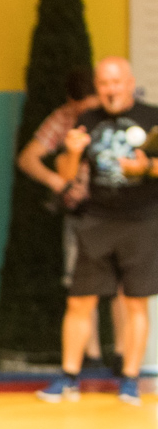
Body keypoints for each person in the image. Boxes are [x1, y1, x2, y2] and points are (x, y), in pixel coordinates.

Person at [39, 57, 156, 406]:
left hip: (142, 221)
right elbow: (66, 171)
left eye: (117, 82)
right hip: (97, 221)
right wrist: (73, 153)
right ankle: (69, 377)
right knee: (79, 300)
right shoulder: (87, 121)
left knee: (135, 302)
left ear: (131, 82)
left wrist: (146, 167)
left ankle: (130, 381)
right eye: (104, 83)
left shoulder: (152, 117)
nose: (111, 89)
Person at [16, 68, 119, 367]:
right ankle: (93, 355)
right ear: (69, 102)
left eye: (89, 108)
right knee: (83, 285)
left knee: (123, 285)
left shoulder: (113, 116)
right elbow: (28, 157)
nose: (83, 115)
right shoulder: (63, 119)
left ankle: (123, 356)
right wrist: (57, 182)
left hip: (117, 210)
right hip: (81, 212)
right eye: (78, 109)